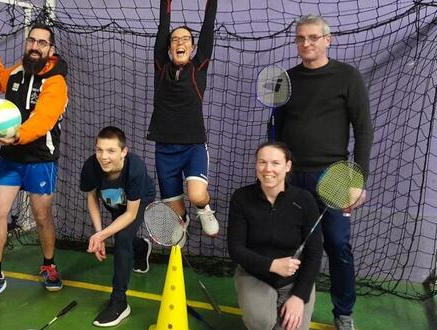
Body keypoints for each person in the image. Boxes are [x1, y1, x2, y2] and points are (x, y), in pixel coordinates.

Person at [274, 15, 374, 330]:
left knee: (338, 245)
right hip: (293, 179)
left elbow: (364, 129)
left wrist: (358, 180)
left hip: (334, 176)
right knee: (291, 244)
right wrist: (278, 173)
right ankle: (288, 307)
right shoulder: (286, 80)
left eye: (313, 37)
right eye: (301, 38)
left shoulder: (348, 76)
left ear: (327, 39)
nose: (307, 44)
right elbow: (277, 129)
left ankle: (343, 314)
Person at [0, 24, 68, 309]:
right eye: (32, 40)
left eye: (42, 42)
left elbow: (43, 120)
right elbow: (0, 80)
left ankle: (49, 265)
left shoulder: (56, 82)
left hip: (41, 159)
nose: (35, 46)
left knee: (42, 217)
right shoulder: (18, 70)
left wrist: (16, 135)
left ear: (50, 50)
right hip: (12, 159)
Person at [228, 142, 322, 330]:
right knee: (262, 323)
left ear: (287, 166)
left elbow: (314, 253)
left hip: (294, 280)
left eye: (275, 163)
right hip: (255, 275)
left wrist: (299, 296)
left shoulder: (305, 200)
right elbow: (236, 249)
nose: (268, 169)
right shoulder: (241, 197)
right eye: (262, 162)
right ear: (256, 165)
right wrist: (272, 265)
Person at [147, 0, 220, 238]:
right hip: (165, 150)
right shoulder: (161, 67)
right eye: (175, 40)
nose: (180, 43)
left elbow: (208, 27)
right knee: (176, 216)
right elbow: (162, 26)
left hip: (193, 146)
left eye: (186, 39)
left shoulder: (199, 67)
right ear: (169, 48)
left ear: (193, 47)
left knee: (197, 194)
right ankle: (184, 220)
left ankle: (204, 209)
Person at [79, 126, 155, 327]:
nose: (104, 156)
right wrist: (99, 233)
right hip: (112, 199)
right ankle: (142, 247)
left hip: (137, 200)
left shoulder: (136, 170)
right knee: (120, 234)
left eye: (111, 151)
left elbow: (130, 213)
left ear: (124, 152)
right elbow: (92, 198)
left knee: (121, 237)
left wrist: (104, 235)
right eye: (99, 150)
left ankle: (120, 302)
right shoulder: (91, 166)